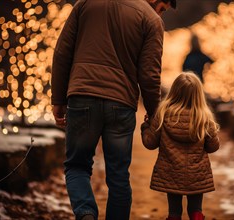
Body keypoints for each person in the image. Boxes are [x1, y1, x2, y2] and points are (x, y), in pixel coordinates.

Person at [51, 0, 177, 219]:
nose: (161, 15)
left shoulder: (86, 3)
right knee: (119, 177)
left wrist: (58, 99)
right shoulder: (151, 19)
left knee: (77, 166)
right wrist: (154, 111)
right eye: (162, 9)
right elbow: (149, 74)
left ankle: (86, 212)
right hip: (121, 104)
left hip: (82, 96)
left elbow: (62, 52)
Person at [141, 72, 220, 220]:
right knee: (195, 209)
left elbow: (150, 143)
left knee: (174, 212)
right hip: (197, 174)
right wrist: (213, 133)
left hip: (171, 172)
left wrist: (146, 127)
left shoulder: (163, 114)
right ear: (198, 95)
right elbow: (212, 147)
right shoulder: (204, 118)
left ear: (174, 92)